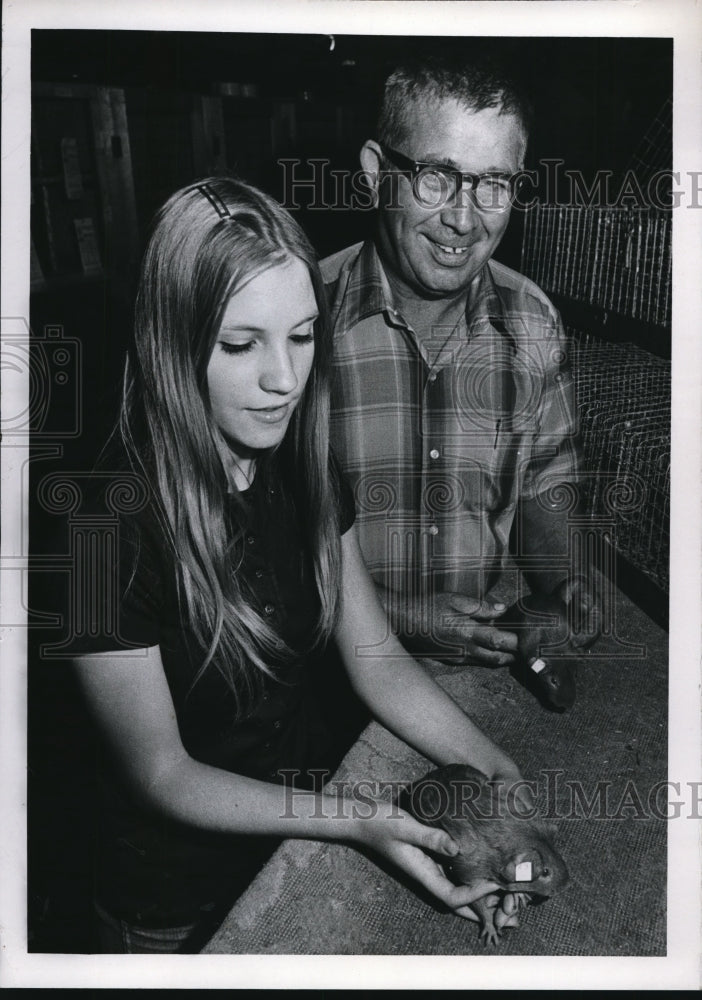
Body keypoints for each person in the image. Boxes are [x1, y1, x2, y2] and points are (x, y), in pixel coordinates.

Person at [64, 176, 530, 953]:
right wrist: (362, 822)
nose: (285, 379)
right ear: (169, 344)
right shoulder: (90, 528)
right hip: (175, 915)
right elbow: (161, 773)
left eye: (304, 335)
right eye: (242, 344)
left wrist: (497, 774)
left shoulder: (303, 460)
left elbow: (376, 658)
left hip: (294, 845)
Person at [323, 52, 601, 667]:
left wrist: (564, 581)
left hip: (472, 671)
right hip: (317, 681)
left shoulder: (533, 321)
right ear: (374, 173)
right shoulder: (296, 322)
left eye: (493, 184)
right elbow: (242, 548)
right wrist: (402, 617)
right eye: (435, 177)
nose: (462, 218)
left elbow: (544, 487)